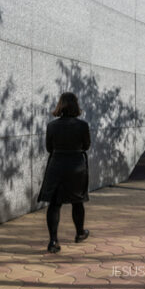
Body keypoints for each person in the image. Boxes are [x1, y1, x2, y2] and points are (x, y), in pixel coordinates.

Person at [38, 91, 91, 253]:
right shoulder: (82, 125)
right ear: (76, 106)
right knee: (77, 201)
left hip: (56, 166)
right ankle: (80, 233)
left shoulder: (52, 126)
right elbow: (86, 146)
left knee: (54, 204)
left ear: (60, 105)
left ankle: (53, 241)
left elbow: (49, 148)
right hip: (76, 166)